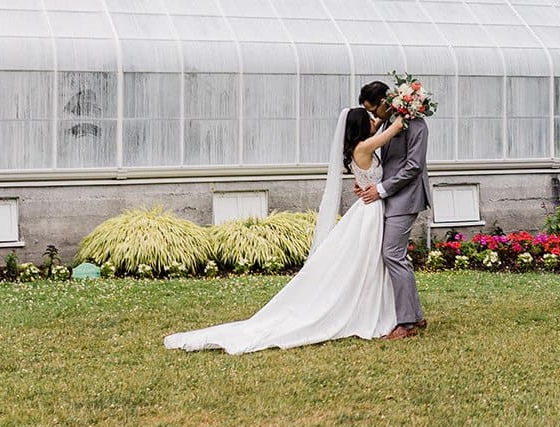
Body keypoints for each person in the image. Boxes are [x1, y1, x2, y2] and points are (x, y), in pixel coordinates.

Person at [161, 108, 404, 354]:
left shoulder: (357, 147)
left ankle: (374, 304)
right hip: (370, 210)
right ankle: (370, 309)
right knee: (368, 260)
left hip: (368, 207)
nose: (375, 122)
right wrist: (408, 105)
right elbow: (395, 128)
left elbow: (379, 129)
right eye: (370, 120)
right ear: (362, 127)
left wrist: (381, 117)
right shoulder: (364, 147)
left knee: (369, 261)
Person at [356, 80, 430, 340]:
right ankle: (415, 316)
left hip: (406, 198)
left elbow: (413, 166)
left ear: (384, 102)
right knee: (395, 255)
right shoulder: (388, 122)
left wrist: (381, 189)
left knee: (392, 254)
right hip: (389, 196)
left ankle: (406, 324)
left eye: (373, 110)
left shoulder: (416, 124)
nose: (372, 116)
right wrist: (367, 182)